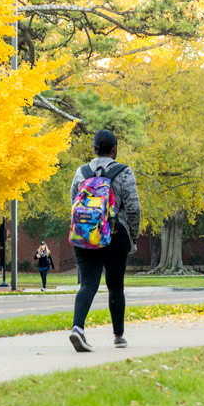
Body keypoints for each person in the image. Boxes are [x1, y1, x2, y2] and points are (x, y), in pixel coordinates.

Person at [69, 129, 141, 352]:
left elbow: (74, 201)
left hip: (85, 233)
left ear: (93, 149)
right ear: (114, 150)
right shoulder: (124, 172)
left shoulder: (81, 173)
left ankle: (78, 328)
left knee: (88, 283)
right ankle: (118, 336)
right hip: (115, 234)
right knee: (115, 285)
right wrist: (133, 236)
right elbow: (133, 208)